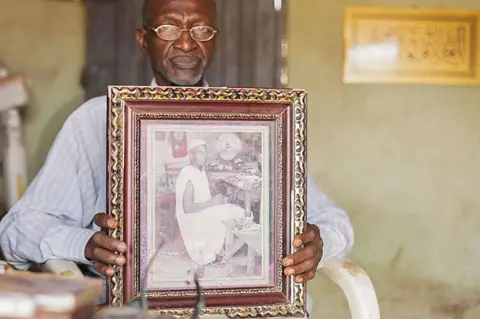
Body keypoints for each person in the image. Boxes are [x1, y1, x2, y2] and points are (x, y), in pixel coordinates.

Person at [0, 0, 354, 311]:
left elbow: (335, 221)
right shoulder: (97, 121)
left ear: (215, 38)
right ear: (144, 39)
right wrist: (84, 244)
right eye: (168, 27)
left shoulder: (257, 123)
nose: (186, 43)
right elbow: (16, 231)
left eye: (200, 28)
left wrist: (316, 243)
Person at [174, 139, 244, 266]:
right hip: (194, 218)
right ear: (191, 155)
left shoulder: (200, 171)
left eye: (205, 152)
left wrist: (216, 200)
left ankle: (224, 252)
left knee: (239, 213)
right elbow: (188, 208)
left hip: (203, 211)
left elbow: (203, 197)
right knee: (238, 214)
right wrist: (212, 203)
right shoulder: (188, 174)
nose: (204, 155)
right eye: (200, 152)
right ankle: (223, 252)